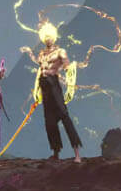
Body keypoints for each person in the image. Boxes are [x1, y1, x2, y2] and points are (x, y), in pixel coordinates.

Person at [21, 22, 83, 162]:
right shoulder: (42, 53)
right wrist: (37, 91)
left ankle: (77, 154)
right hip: (44, 86)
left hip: (54, 85)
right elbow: (40, 69)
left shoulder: (60, 51)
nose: (47, 38)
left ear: (53, 37)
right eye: (45, 36)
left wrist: (67, 75)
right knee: (49, 121)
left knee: (64, 116)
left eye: (50, 36)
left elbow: (67, 67)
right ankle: (56, 152)